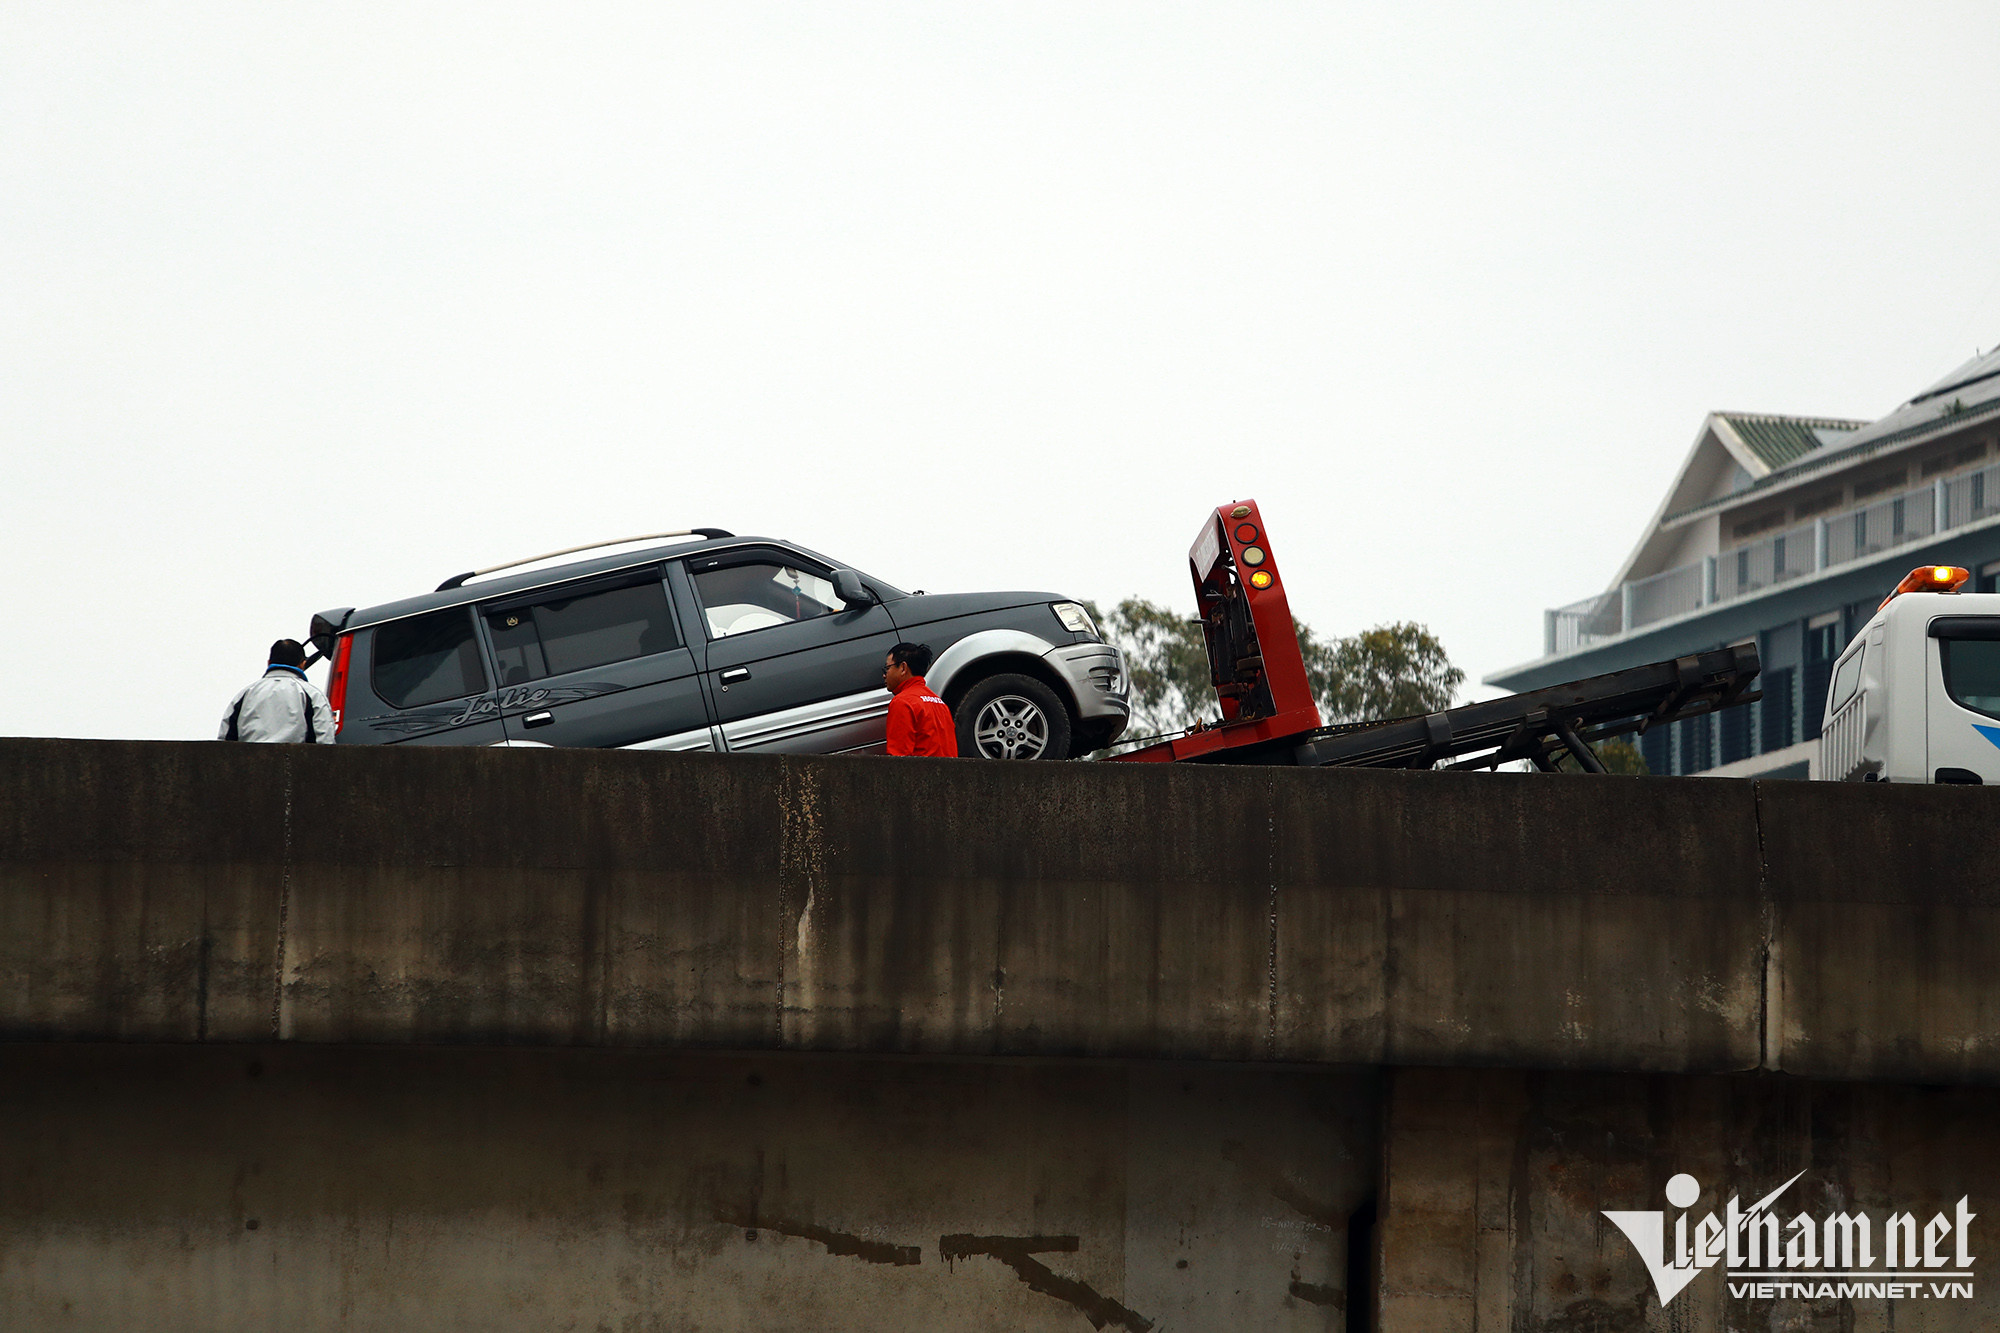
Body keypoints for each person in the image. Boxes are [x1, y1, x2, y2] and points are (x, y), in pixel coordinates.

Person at [220, 639, 337, 744]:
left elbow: (224, 742)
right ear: (303, 664)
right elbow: (325, 741)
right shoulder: (313, 695)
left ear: (269, 663)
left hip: (250, 766)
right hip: (297, 766)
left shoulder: (244, 694)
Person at [883, 642, 957, 757]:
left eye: (887, 668)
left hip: (921, 773)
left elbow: (898, 759)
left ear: (903, 668)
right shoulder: (939, 703)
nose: (884, 675)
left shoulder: (902, 702)